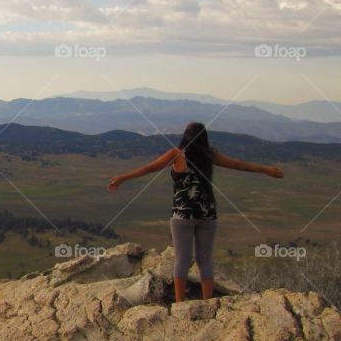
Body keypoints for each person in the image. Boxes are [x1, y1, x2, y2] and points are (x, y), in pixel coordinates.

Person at [107, 121, 284, 303]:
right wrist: (266, 170)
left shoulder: (177, 154)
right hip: (208, 214)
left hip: (182, 214)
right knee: (204, 261)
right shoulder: (210, 155)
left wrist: (123, 178)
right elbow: (238, 165)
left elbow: (149, 168)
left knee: (182, 261)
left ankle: (180, 302)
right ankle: (209, 302)